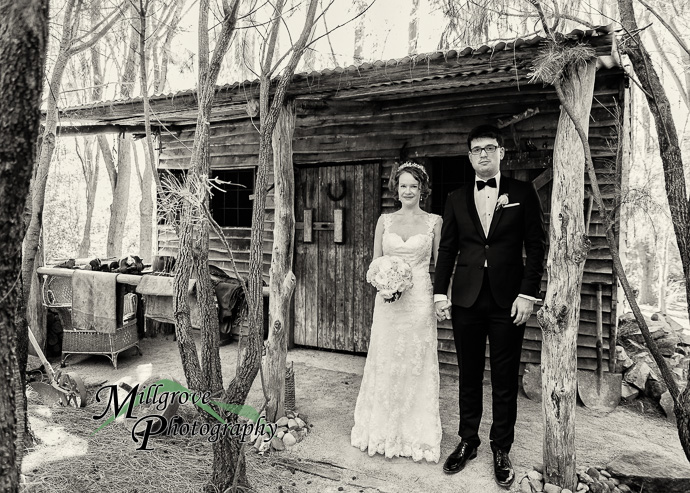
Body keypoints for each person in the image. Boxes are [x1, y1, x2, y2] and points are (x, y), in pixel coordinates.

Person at [433, 125, 546, 487]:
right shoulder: (455, 198)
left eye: (489, 148)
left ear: (501, 153)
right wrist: (439, 292)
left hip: (507, 300)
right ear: (469, 156)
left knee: (503, 377)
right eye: (476, 149)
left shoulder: (522, 193)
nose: (483, 154)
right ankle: (468, 440)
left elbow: (536, 247)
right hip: (466, 298)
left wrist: (528, 294)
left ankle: (502, 447)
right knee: (467, 374)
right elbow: (448, 248)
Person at [351, 161, 443, 463]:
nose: (408, 191)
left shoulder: (434, 222)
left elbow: (440, 265)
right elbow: (375, 262)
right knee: (386, 358)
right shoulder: (384, 221)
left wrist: (443, 298)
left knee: (415, 360)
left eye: (413, 186)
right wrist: (384, 281)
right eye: (403, 185)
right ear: (396, 188)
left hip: (418, 301)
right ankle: (380, 429)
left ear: (422, 190)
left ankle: (414, 434)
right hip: (388, 303)